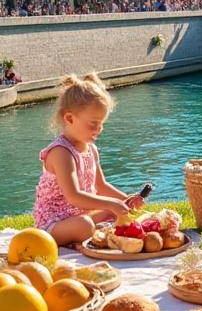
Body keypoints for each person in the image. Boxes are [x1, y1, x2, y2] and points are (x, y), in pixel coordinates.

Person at [32, 73, 145, 245]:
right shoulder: (61, 153)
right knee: (85, 225)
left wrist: (125, 201)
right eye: (93, 124)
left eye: (102, 124)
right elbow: (74, 196)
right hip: (53, 225)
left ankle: (92, 237)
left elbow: (101, 186)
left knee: (118, 213)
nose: (99, 129)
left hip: (80, 216)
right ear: (69, 118)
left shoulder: (91, 148)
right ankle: (86, 238)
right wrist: (111, 203)